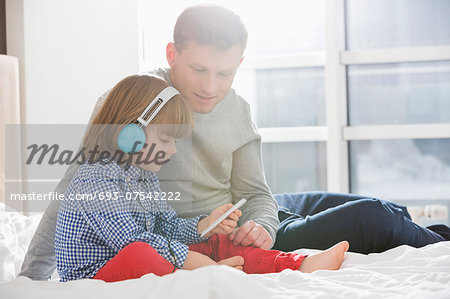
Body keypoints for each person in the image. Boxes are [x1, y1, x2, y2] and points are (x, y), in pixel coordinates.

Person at [19, 4, 449, 281]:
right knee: (371, 217)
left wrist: (261, 224)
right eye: (199, 70)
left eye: (224, 74)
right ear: (172, 55)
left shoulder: (236, 108)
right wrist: (32, 277)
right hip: (205, 234)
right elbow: (73, 190)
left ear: (239, 63)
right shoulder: (136, 105)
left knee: (388, 209)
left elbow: (256, 193)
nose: (211, 87)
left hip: (240, 214)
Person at [55, 74, 349, 282]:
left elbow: (165, 225)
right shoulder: (95, 179)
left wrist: (205, 226)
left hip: (145, 255)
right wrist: (199, 263)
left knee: (215, 240)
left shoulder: (143, 175)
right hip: (96, 275)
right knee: (144, 253)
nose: (171, 151)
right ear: (132, 133)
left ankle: (299, 265)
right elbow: (133, 241)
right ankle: (210, 274)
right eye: (167, 139)